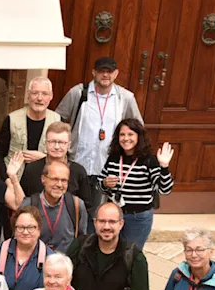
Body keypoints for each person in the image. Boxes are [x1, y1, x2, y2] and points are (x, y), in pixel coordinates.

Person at [56, 57, 143, 231]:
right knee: (68, 209)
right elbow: (58, 119)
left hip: (107, 168)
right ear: (94, 72)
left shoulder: (125, 98)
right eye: (101, 71)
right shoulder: (78, 93)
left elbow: (137, 128)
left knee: (97, 214)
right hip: (77, 162)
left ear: (116, 74)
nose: (105, 75)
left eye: (109, 72)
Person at [101, 118, 175, 249]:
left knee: (130, 254)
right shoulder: (114, 158)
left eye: (130, 134)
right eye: (122, 134)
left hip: (137, 217)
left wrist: (164, 166)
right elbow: (100, 185)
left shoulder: (149, 160)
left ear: (139, 137)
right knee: (110, 251)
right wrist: (105, 183)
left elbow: (165, 189)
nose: (126, 138)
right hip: (114, 216)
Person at [0, 76, 61, 179]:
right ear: (28, 95)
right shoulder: (12, 119)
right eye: (35, 93)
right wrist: (6, 181)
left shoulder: (58, 121)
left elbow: (64, 158)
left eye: (44, 94)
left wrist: (44, 158)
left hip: (44, 184)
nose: (39, 98)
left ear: (51, 96)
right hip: (13, 182)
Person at [21, 122, 91, 209]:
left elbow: (86, 207)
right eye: (52, 142)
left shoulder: (78, 171)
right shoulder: (32, 169)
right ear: (45, 143)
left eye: (61, 142)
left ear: (68, 145)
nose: (57, 147)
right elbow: (24, 200)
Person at [23, 161, 88, 253]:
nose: (59, 185)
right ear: (43, 179)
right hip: (35, 262)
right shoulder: (28, 205)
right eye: (55, 179)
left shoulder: (76, 205)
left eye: (64, 180)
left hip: (65, 263)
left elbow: (82, 240)